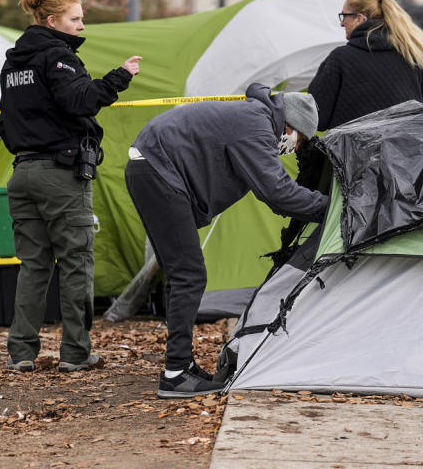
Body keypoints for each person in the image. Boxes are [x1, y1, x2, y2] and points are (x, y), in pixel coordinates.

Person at [125, 83, 329, 398]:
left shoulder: (254, 116)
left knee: (182, 273)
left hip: (150, 166)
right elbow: (278, 194)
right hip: (158, 171)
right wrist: (330, 209)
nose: (293, 147)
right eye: (298, 139)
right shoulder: (256, 125)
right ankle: (175, 375)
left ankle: (182, 364)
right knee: (189, 274)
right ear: (290, 125)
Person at [0, 0, 141, 374]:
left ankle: (21, 353)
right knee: (76, 263)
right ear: (52, 21)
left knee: (33, 266)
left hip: (22, 172)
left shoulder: (14, 64)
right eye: (76, 19)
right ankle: (75, 353)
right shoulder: (58, 56)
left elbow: (5, 123)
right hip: (60, 174)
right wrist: (120, 77)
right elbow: (81, 100)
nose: (82, 25)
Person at [308, 0, 423, 132]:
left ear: (360, 18)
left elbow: (315, 117)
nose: (342, 23)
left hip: (348, 153)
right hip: (403, 153)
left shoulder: (340, 59)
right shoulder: (413, 58)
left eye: (344, 16)